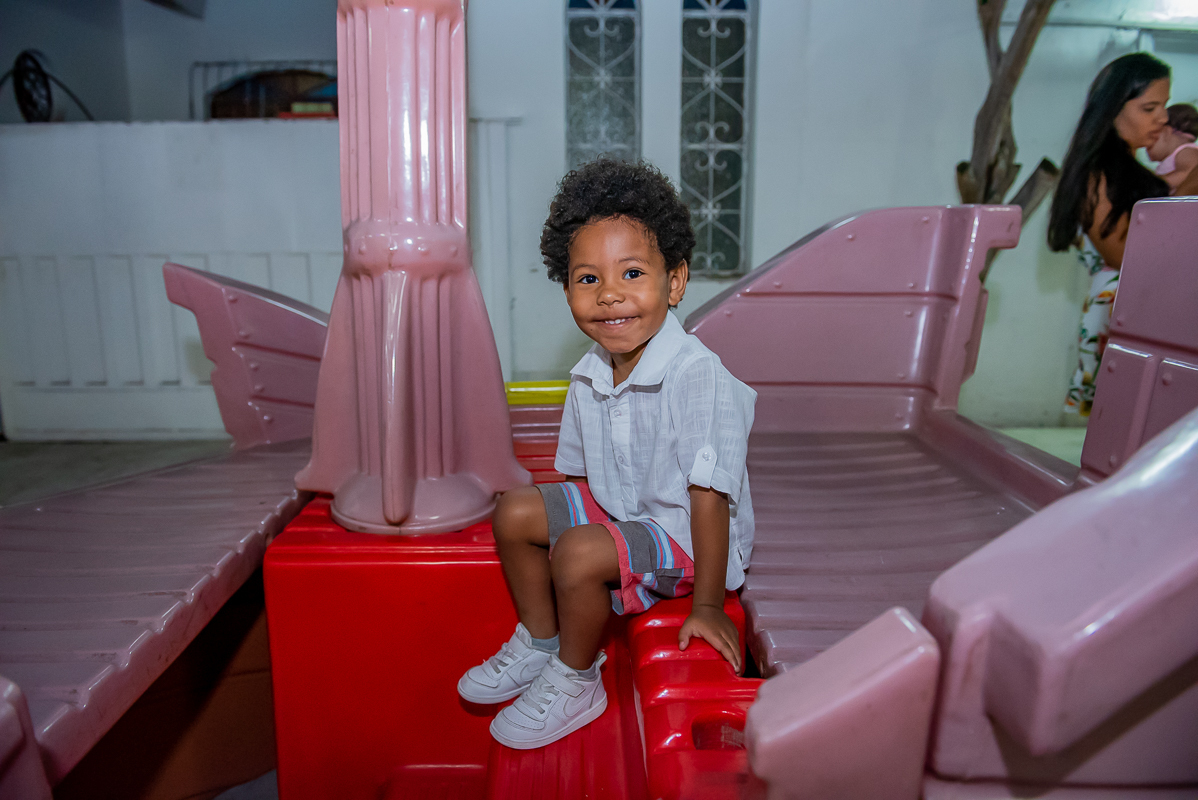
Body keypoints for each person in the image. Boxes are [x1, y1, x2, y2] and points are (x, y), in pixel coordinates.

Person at [457, 158, 756, 750]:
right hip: (626, 508)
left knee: (577, 553)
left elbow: (710, 496)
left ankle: (576, 676)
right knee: (516, 510)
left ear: (675, 281)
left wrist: (708, 603)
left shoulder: (697, 375)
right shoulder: (590, 372)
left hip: (687, 535)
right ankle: (542, 640)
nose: (610, 294)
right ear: (566, 288)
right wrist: (571, 524)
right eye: (588, 278)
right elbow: (578, 478)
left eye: (633, 273)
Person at [1048, 52, 1172, 417]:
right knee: (1123, 424)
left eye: (1164, 106)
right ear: (1113, 109)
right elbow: (1122, 255)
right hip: (1123, 313)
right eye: (1149, 108)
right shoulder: (1097, 174)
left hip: (1133, 310)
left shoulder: (1126, 170)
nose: (1163, 118)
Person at [1147, 103, 1198, 192]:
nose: (1146, 144)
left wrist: (1153, 185)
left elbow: (1189, 173)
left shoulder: (1186, 150)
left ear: (1167, 131)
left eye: (1153, 136)